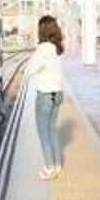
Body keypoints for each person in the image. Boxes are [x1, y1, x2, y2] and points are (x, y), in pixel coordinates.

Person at [29, 15, 64, 180]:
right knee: (52, 130)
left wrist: (38, 68)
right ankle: (57, 167)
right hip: (58, 94)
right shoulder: (57, 48)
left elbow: (30, 69)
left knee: (44, 133)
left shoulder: (43, 49)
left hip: (44, 95)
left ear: (41, 30)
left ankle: (49, 168)